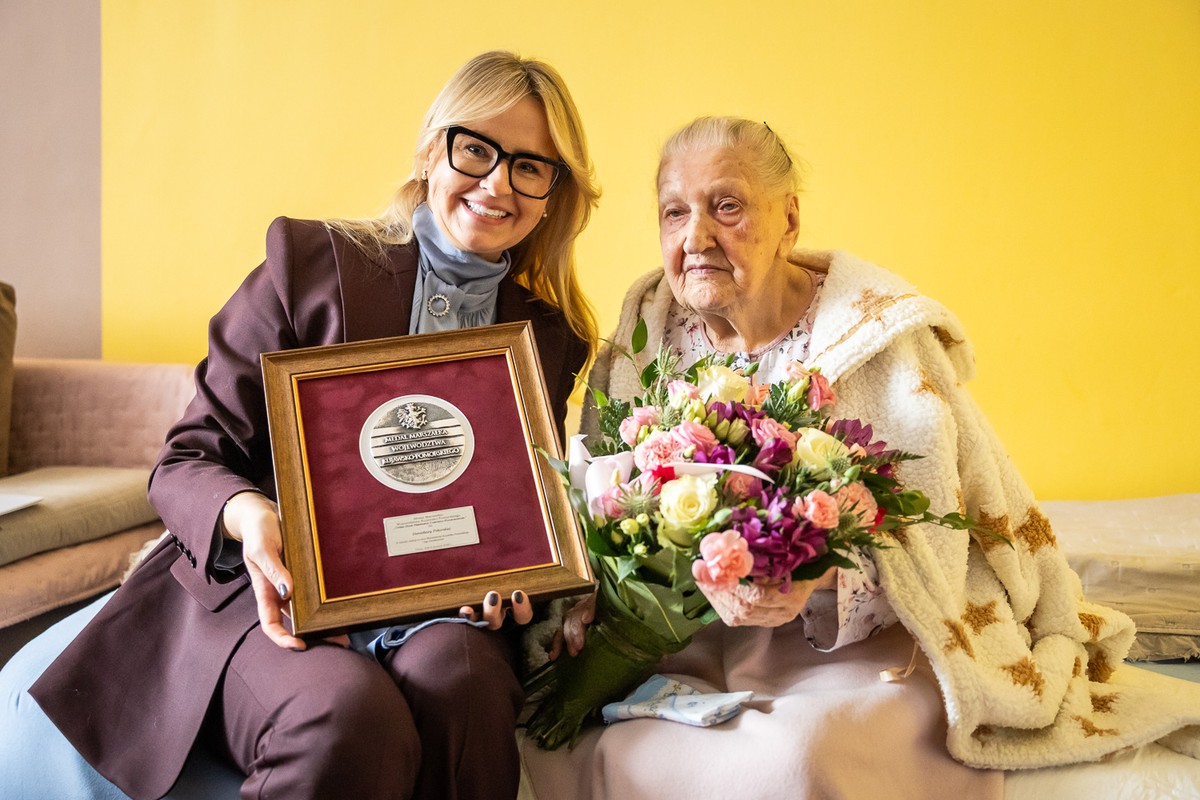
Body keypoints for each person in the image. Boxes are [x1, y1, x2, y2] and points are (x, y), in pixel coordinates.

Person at [520, 116, 1199, 799]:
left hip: (856, 647)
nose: (696, 238)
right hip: (684, 644)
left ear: (788, 218)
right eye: (675, 212)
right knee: (569, 739)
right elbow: (596, 504)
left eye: (726, 207)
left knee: (799, 758)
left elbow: (934, 535)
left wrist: (815, 585)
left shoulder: (879, 342)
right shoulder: (641, 341)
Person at [24, 50, 599, 800]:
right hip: (270, 593)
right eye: (476, 149)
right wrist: (250, 514)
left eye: (531, 166)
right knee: (346, 714)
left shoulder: (547, 338)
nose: (498, 183)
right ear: (432, 151)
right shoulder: (311, 262)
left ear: (554, 193)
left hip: (440, 615)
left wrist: (515, 581)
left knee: (466, 685)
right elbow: (186, 462)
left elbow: (521, 511)